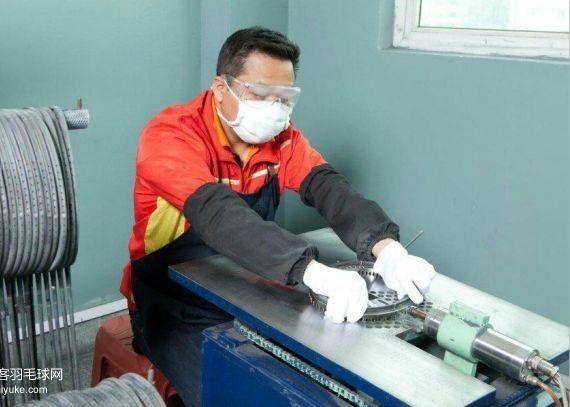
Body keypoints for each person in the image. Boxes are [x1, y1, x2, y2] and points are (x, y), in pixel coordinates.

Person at [119, 26, 436, 407]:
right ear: (221, 88)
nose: (274, 108)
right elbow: (217, 213)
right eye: (260, 94)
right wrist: (311, 271)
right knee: (241, 396)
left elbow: (329, 189)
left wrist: (385, 248)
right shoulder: (170, 135)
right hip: (173, 303)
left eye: (284, 98)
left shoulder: (282, 141)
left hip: (247, 284)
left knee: (319, 383)